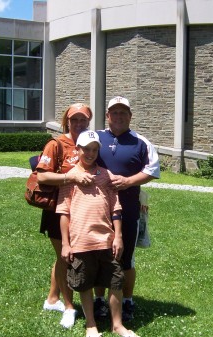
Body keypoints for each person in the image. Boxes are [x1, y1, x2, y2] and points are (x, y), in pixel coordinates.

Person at [56, 130, 140, 337]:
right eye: (86, 149)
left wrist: (118, 236)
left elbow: (116, 209)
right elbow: (64, 213)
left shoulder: (106, 176)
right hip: (80, 241)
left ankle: (117, 324)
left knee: (115, 282)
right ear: (78, 149)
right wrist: (66, 244)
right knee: (84, 283)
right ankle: (90, 325)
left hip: (106, 240)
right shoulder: (71, 177)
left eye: (94, 150)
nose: (90, 153)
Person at [95, 96, 160, 321]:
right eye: (115, 112)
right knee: (99, 254)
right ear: (107, 116)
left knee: (126, 258)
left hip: (128, 209)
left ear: (130, 116)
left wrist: (129, 181)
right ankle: (99, 300)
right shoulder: (96, 138)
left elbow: (152, 170)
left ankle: (127, 301)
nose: (119, 116)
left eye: (124, 112)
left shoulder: (141, 142)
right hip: (97, 207)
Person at [36, 103, 97, 328]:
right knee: (65, 257)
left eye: (83, 120)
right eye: (74, 120)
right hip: (57, 210)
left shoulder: (91, 141)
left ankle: (53, 299)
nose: (79, 124)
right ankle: (69, 307)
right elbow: (42, 177)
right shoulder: (56, 144)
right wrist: (69, 178)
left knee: (64, 256)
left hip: (81, 210)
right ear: (67, 121)